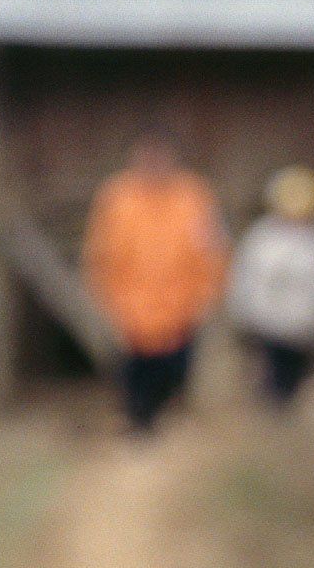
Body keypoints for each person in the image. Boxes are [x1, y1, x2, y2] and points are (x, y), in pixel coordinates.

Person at [83, 129, 229, 432]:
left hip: (181, 307)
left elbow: (212, 248)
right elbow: (100, 252)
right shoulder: (116, 197)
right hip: (130, 308)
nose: (153, 163)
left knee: (175, 371)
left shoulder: (193, 196)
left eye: (159, 156)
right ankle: (139, 425)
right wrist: (106, 299)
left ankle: (153, 419)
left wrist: (209, 293)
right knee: (134, 374)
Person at [227, 166, 314, 407]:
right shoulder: (262, 236)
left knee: (295, 374)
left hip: (304, 327)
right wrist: (242, 312)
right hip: (266, 323)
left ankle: (287, 404)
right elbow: (246, 277)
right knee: (270, 372)